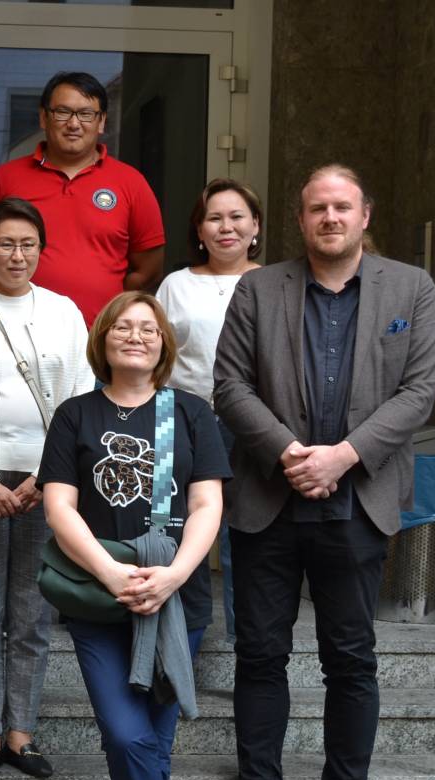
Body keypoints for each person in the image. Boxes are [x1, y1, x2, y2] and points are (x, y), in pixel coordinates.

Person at [206, 165, 435, 780]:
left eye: (341, 206)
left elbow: (419, 389)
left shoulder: (411, 289)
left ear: (364, 214)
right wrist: (288, 452)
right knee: (259, 657)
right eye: (317, 208)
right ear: (300, 218)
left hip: (357, 503)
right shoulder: (258, 288)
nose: (330, 218)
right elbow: (229, 384)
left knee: (349, 661)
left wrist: (342, 456)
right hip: (267, 501)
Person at [39, 291, 229, 780]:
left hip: (178, 604)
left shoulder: (194, 415)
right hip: (100, 600)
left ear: (164, 343)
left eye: (148, 327)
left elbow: (206, 506)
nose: (136, 336)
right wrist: (112, 572)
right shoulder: (75, 416)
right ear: (103, 338)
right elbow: (60, 507)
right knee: (128, 737)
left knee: (153, 744)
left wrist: (173, 576)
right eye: (123, 326)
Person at [0, 197, 93, 780]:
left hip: (45, 482)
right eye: (5, 243)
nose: (17, 254)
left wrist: (44, 478)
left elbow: (79, 400)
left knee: (30, 613)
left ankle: (22, 733)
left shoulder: (64, 312)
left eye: (28, 244)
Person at [0, 72, 165, 326]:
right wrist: (6, 302)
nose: (74, 124)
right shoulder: (6, 178)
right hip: (17, 333)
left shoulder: (131, 183)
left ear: (101, 121)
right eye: (62, 112)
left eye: (86, 114)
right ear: (43, 117)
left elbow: (148, 269)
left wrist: (108, 302)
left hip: (100, 338)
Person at [156, 178, 264, 644]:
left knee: (247, 537)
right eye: (214, 218)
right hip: (180, 421)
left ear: (255, 226)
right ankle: (186, 643)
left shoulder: (275, 282)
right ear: (198, 230)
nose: (226, 227)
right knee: (178, 535)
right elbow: (154, 355)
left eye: (237, 216)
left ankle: (250, 649)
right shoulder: (175, 285)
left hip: (257, 425)